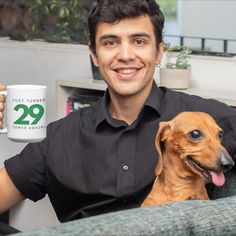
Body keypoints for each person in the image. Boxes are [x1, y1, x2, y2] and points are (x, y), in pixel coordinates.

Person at [0, 0, 236, 232]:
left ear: (159, 52)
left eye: (139, 41)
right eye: (110, 42)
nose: (125, 55)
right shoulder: (59, 137)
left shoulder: (206, 120)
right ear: (94, 54)